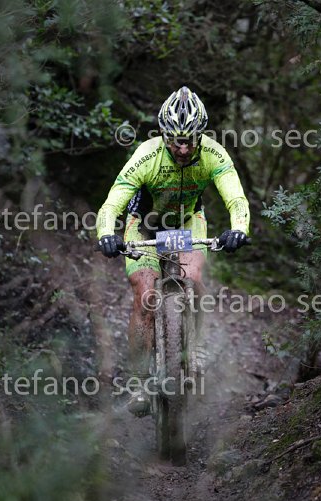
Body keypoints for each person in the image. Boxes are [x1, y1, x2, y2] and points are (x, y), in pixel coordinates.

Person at [96, 86, 250, 416]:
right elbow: (113, 201)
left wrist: (239, 228)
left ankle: (195, 346)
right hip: (145, 226)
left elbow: (236, 198)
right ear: (163, 135)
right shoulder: (146, 155)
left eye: (190, 140)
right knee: (144, 296)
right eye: (176, 140)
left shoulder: (214, 155)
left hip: (187, 223)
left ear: (201, 136)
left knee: (194, 279)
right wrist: (106, 233)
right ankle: (139, 381)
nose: (183, 148)